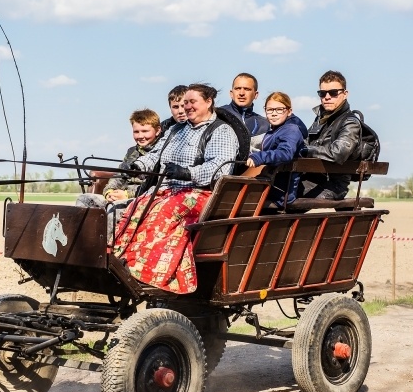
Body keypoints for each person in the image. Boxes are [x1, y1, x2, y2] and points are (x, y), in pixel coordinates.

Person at [114, 83, 239, 294]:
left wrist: (187, 172)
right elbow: (155, 157)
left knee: (166, 212)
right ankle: (121, 260)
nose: (187, 107)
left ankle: (147, 272)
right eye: (185, 103)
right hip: (169, 189)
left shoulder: (221, 132)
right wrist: (137, 166)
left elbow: (221, 168)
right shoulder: (176, 130)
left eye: (192, 102)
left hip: (202, 192)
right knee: (136, 206)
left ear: (208, 102)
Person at [75, 109, 162, 235]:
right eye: (136, 132)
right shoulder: (131, 152)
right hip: (120, 195)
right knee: (84, 199)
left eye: (145, 131)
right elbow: (118, 176)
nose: (140, 136)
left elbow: (154, 185)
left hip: (141, 198)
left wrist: (127, 195)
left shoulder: (161, 152)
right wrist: (109, 192)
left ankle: (106, 249)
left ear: (157, 130)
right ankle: (82, 242)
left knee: (114, 208)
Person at [297, 70, 362, 200]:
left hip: (332, 185)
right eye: (322, 93)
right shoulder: (320, 120)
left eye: (333, 93)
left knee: (282, 198)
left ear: (345, 94)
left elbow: (338, 153)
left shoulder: (350, 123)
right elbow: (304, 141)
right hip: (308, 179)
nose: (327, 97)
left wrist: (304, 150)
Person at [245, 92, 306, 206]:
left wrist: (259, 157)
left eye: (279, 109)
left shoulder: (291, 130)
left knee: (233, 195)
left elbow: (285, 153)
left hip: (281, 192)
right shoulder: (274, 131)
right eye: (270, 110)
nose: (274, 114)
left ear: (289, 111)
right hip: (271, 184)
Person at [219, 72, 268, 136]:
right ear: (231, 93)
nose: (241, 93)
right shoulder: (218, 115)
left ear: (255, 95)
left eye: (247, 89)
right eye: (238, 89)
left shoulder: (264, 124)